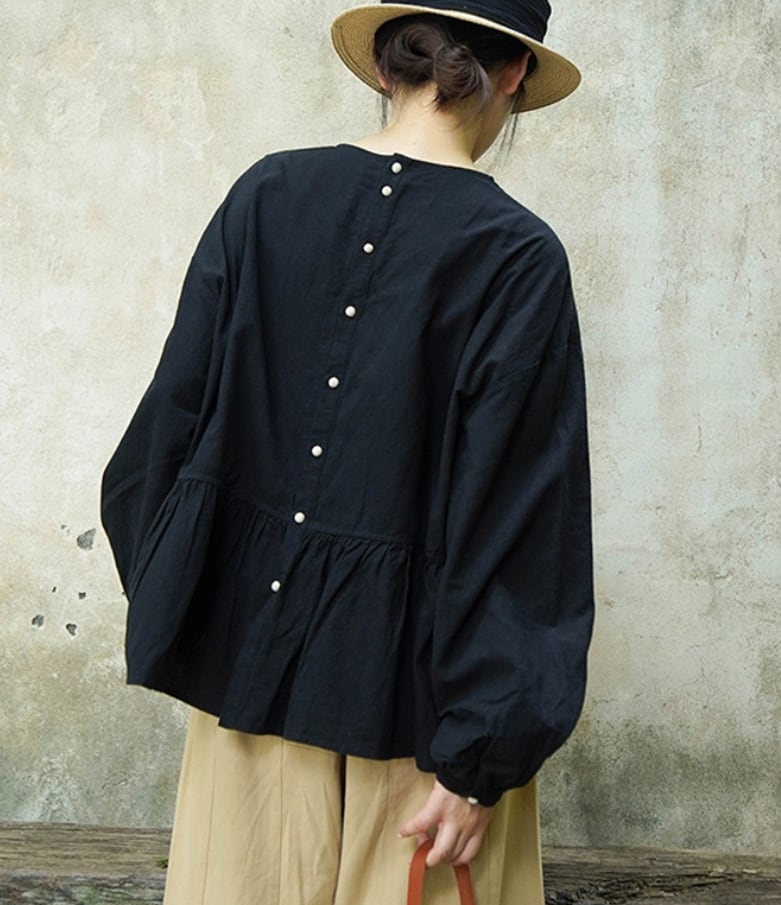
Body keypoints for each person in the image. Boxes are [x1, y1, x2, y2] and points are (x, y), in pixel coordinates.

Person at [101, 1, 593, 903]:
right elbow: (523, 522)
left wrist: (207, 609)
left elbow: (158, 445)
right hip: (429, 728)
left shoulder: (267, 194)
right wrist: (481, 756)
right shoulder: (518, 256)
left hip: (247, 701)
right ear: (515, 74)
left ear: (383, 65)